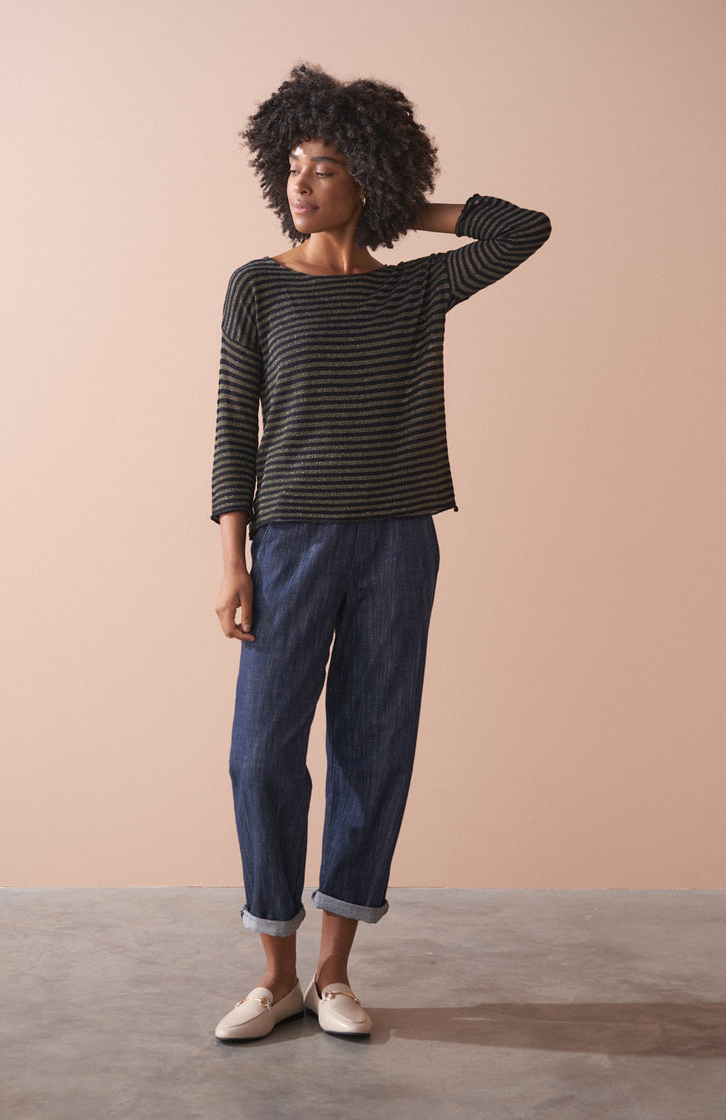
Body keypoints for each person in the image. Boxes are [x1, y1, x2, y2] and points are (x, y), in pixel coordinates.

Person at [211, 64, 550, 1042]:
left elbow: (523, 228)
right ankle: (273, 973)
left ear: (366, 175)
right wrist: (233, 560)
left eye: (326, 166)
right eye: (292, 165)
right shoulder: (256, 287)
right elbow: (234, 427)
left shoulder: (415, 289)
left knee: (372, 748)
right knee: (260, 755)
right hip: (289, 543)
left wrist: (400, 204)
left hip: (399, 539)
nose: (301, 182)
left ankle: (332, 975)